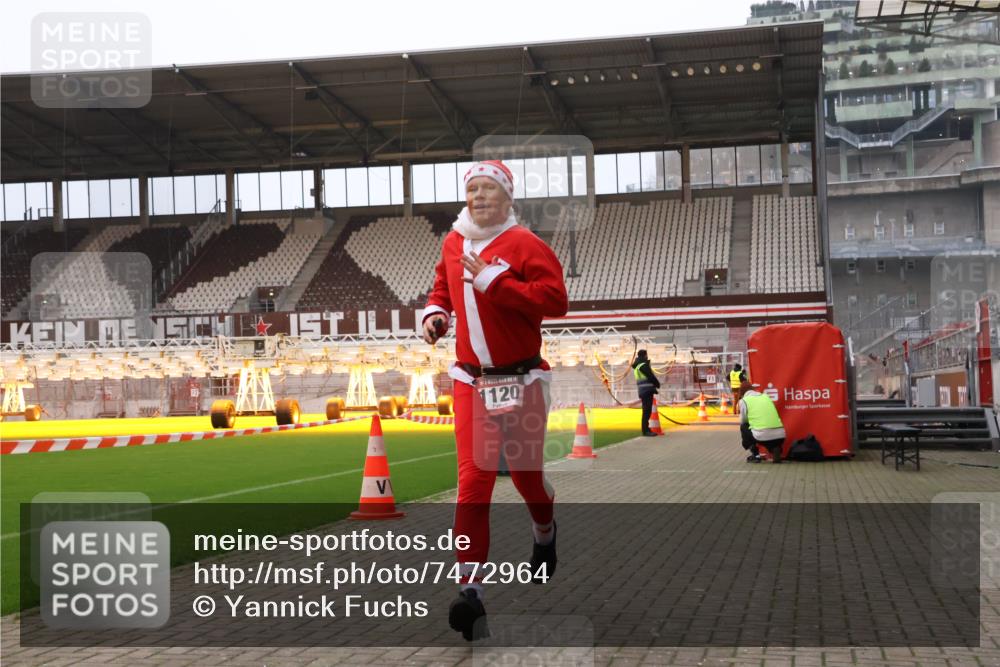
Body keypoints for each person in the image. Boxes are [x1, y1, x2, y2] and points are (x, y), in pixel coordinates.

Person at [422, 159, 568, 641]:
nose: (478, 197)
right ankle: (471, 593)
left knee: (527, 480)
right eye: (472, 190)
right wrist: (436, 315)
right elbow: (442, 286)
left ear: (507, 198)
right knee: (474, 483)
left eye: (488, 189)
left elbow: (554, 301)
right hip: (471, 381)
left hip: (523, 381)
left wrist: (493, 281)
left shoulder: (525, 244)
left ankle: (544, 532)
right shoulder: (453, 241)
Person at [737, 381, 786, 463]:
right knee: (768, 436)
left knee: (744, 426)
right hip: (780, 436)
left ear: (742, 392)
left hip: (762, 436)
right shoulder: (765, 396)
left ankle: (756, 455)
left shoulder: (744, 401)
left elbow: (743, 420)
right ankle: (775, 448)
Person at [631, 349, 661, 436]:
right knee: (647, 411)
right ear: (645, 355)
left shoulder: (637, 366)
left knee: (646, 411)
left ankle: (646, 429)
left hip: (643, 390)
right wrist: (657, 384)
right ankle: (646, 430)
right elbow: (650, 376)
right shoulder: (643, 365)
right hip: (647, 391)